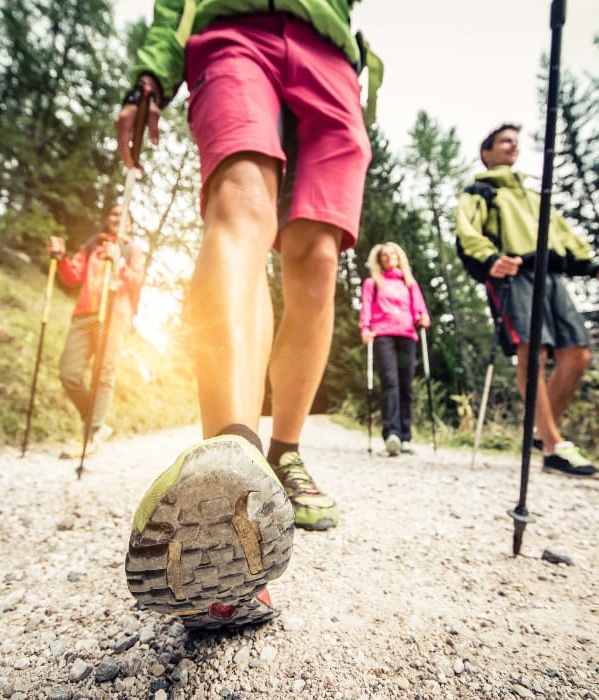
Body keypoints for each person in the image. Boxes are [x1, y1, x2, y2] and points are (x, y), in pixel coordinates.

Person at [115, 1, 375, 629]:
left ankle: (283, 454)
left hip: (332, 57)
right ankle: (233, 455)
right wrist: (149, 73)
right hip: (232, 32)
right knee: (240, 206)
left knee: (315, 257)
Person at [455, 123, 599, 479]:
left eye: (516, 143)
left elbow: (564, 237)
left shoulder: (537, 198)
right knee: (532, 350)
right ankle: (554, 445)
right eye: (504, 141)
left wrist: (595, 266)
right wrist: (491, 259)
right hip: (513, 273)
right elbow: (467, 231)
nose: (512, 147)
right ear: (485, 153)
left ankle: (540, 431)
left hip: (550, 275)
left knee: (577, 352)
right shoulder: (481, 191)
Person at [48, 202, 146, 459]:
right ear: (106, 218)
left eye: (123, 214)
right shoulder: (93, 245)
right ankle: (97, 424)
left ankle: (90, 435)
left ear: (130, 223)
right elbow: (72, 277)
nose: (117, 217)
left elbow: (137, 282)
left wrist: (119, 263)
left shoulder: (131, 249)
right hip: (84, 314)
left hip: (115, 314)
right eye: (113, 213)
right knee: (69, 372)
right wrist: (59, 260)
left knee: (104, 372)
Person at [359, 242, 431, 456]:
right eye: (384, 255)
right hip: (383, 335)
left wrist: (423, 317)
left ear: (399, 257)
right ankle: (392, 434)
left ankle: (405, 436)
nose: (388, 257)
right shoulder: (373, 283)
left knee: (405, 385)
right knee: (390, 382)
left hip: (407, 335)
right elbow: (366, 307)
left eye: (392, 254)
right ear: (379, 260)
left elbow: (420, 308)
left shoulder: (409, 284)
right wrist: (365, 328)